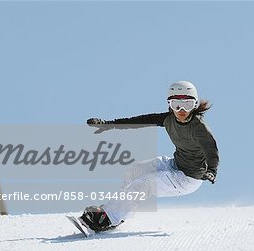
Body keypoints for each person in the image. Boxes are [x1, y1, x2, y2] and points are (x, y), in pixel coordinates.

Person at [79, 81, 219, 233]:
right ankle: (115, 213)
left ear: (195, 104)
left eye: (187, 104)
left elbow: (211, 149)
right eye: (176, 104)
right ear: (169, 104)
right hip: (175, 164)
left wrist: (212, 170)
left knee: (144, 183)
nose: (181, 110)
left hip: (188, 178)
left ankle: (109, 218)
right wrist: (109, 124)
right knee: (133, 171)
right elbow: (140, 121)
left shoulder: (199, 128)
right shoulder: (168, 119)